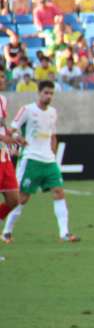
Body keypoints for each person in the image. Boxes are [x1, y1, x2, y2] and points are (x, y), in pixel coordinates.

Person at [4, 82, 78, 243]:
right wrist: (17, 139)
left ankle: (64, 233)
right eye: (46, 93)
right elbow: (12, 129)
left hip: (49, 161)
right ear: (39, 93)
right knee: (22, 198)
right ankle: (7, 231)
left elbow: (52, 135)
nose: (49, 96)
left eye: (51, 93)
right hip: (31, 159)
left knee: (59, 192)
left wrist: (52, 150)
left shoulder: (53, 112)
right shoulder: (27, 110)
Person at [0, 95, 27, 243]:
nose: (2, 79)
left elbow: (2, 123)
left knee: (13, 200)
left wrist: (14, 136)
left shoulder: (2, 99)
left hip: (4, 156)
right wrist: (4, 139)